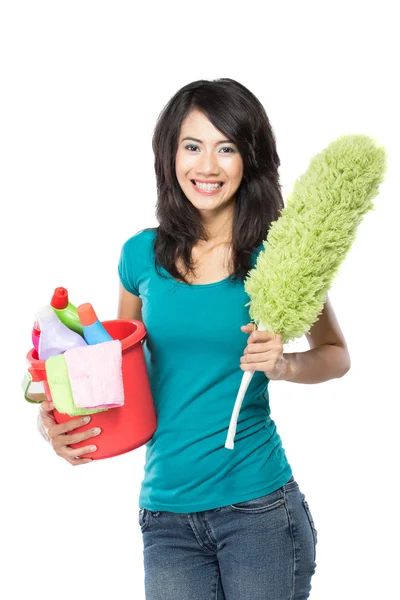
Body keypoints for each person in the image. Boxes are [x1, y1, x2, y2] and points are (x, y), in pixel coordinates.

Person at [38, 78, 351, 599]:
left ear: (249, 158)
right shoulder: (141, 256)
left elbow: (336, 355)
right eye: (192, 146)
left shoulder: (279, 254)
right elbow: (124, 374)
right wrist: (59, 423)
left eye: (226, 148)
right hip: (164, 514)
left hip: (258, 508)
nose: (207, 166)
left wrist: (285, 365)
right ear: (170, 155)